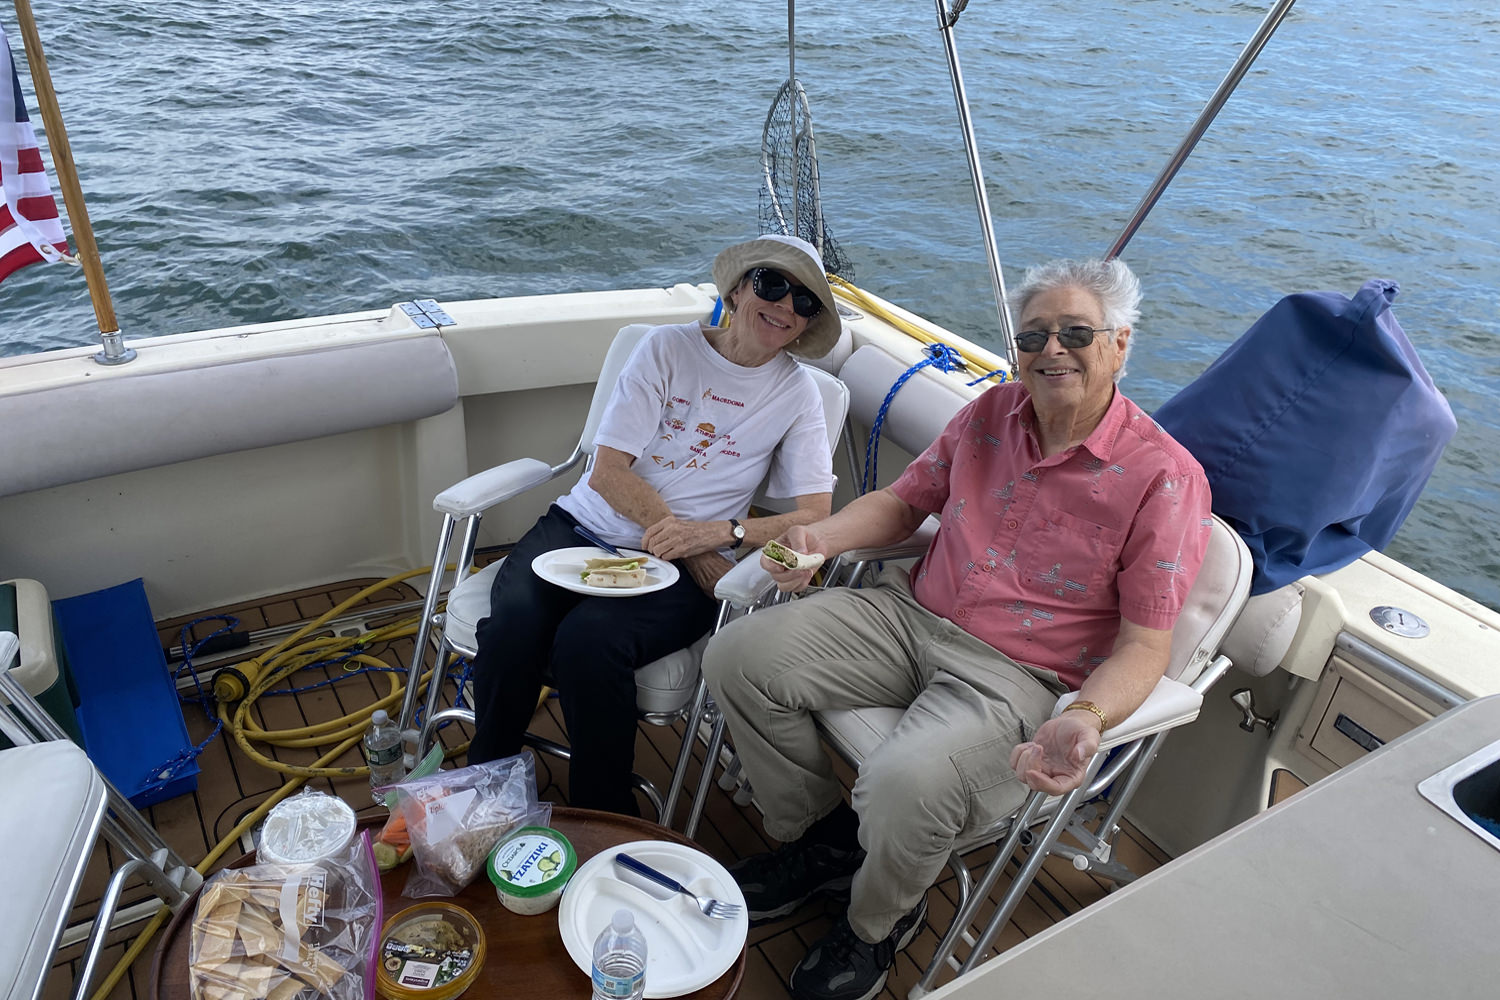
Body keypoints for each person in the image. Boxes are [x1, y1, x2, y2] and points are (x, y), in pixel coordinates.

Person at [701, 257, 1212, 1000]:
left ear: (1120, 344)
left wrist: (1090, 716)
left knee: (903, 783)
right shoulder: (990, 413)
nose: (1052, 350)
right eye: (1034, 335)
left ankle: (877, 924)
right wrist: (822, 541)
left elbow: (1145, 646)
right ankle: (824, 840)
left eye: (1076, 332)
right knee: (737, 654)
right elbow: (905, 506)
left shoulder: (1164, 477)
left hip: (1021, 675)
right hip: (907, 614)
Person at [466, 234, 840, 816]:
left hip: (681, 559)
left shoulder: (797, 395)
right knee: (512, 625)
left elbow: (816, 514)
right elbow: (608, 473)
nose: (786, 306)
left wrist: (722, 535)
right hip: (584, 527)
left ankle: (603, 818)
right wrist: (687, 543)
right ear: (739, 290)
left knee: (588, 645)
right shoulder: (666, 349)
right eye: (772, 284)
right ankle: (483, 796)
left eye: (805, 301)